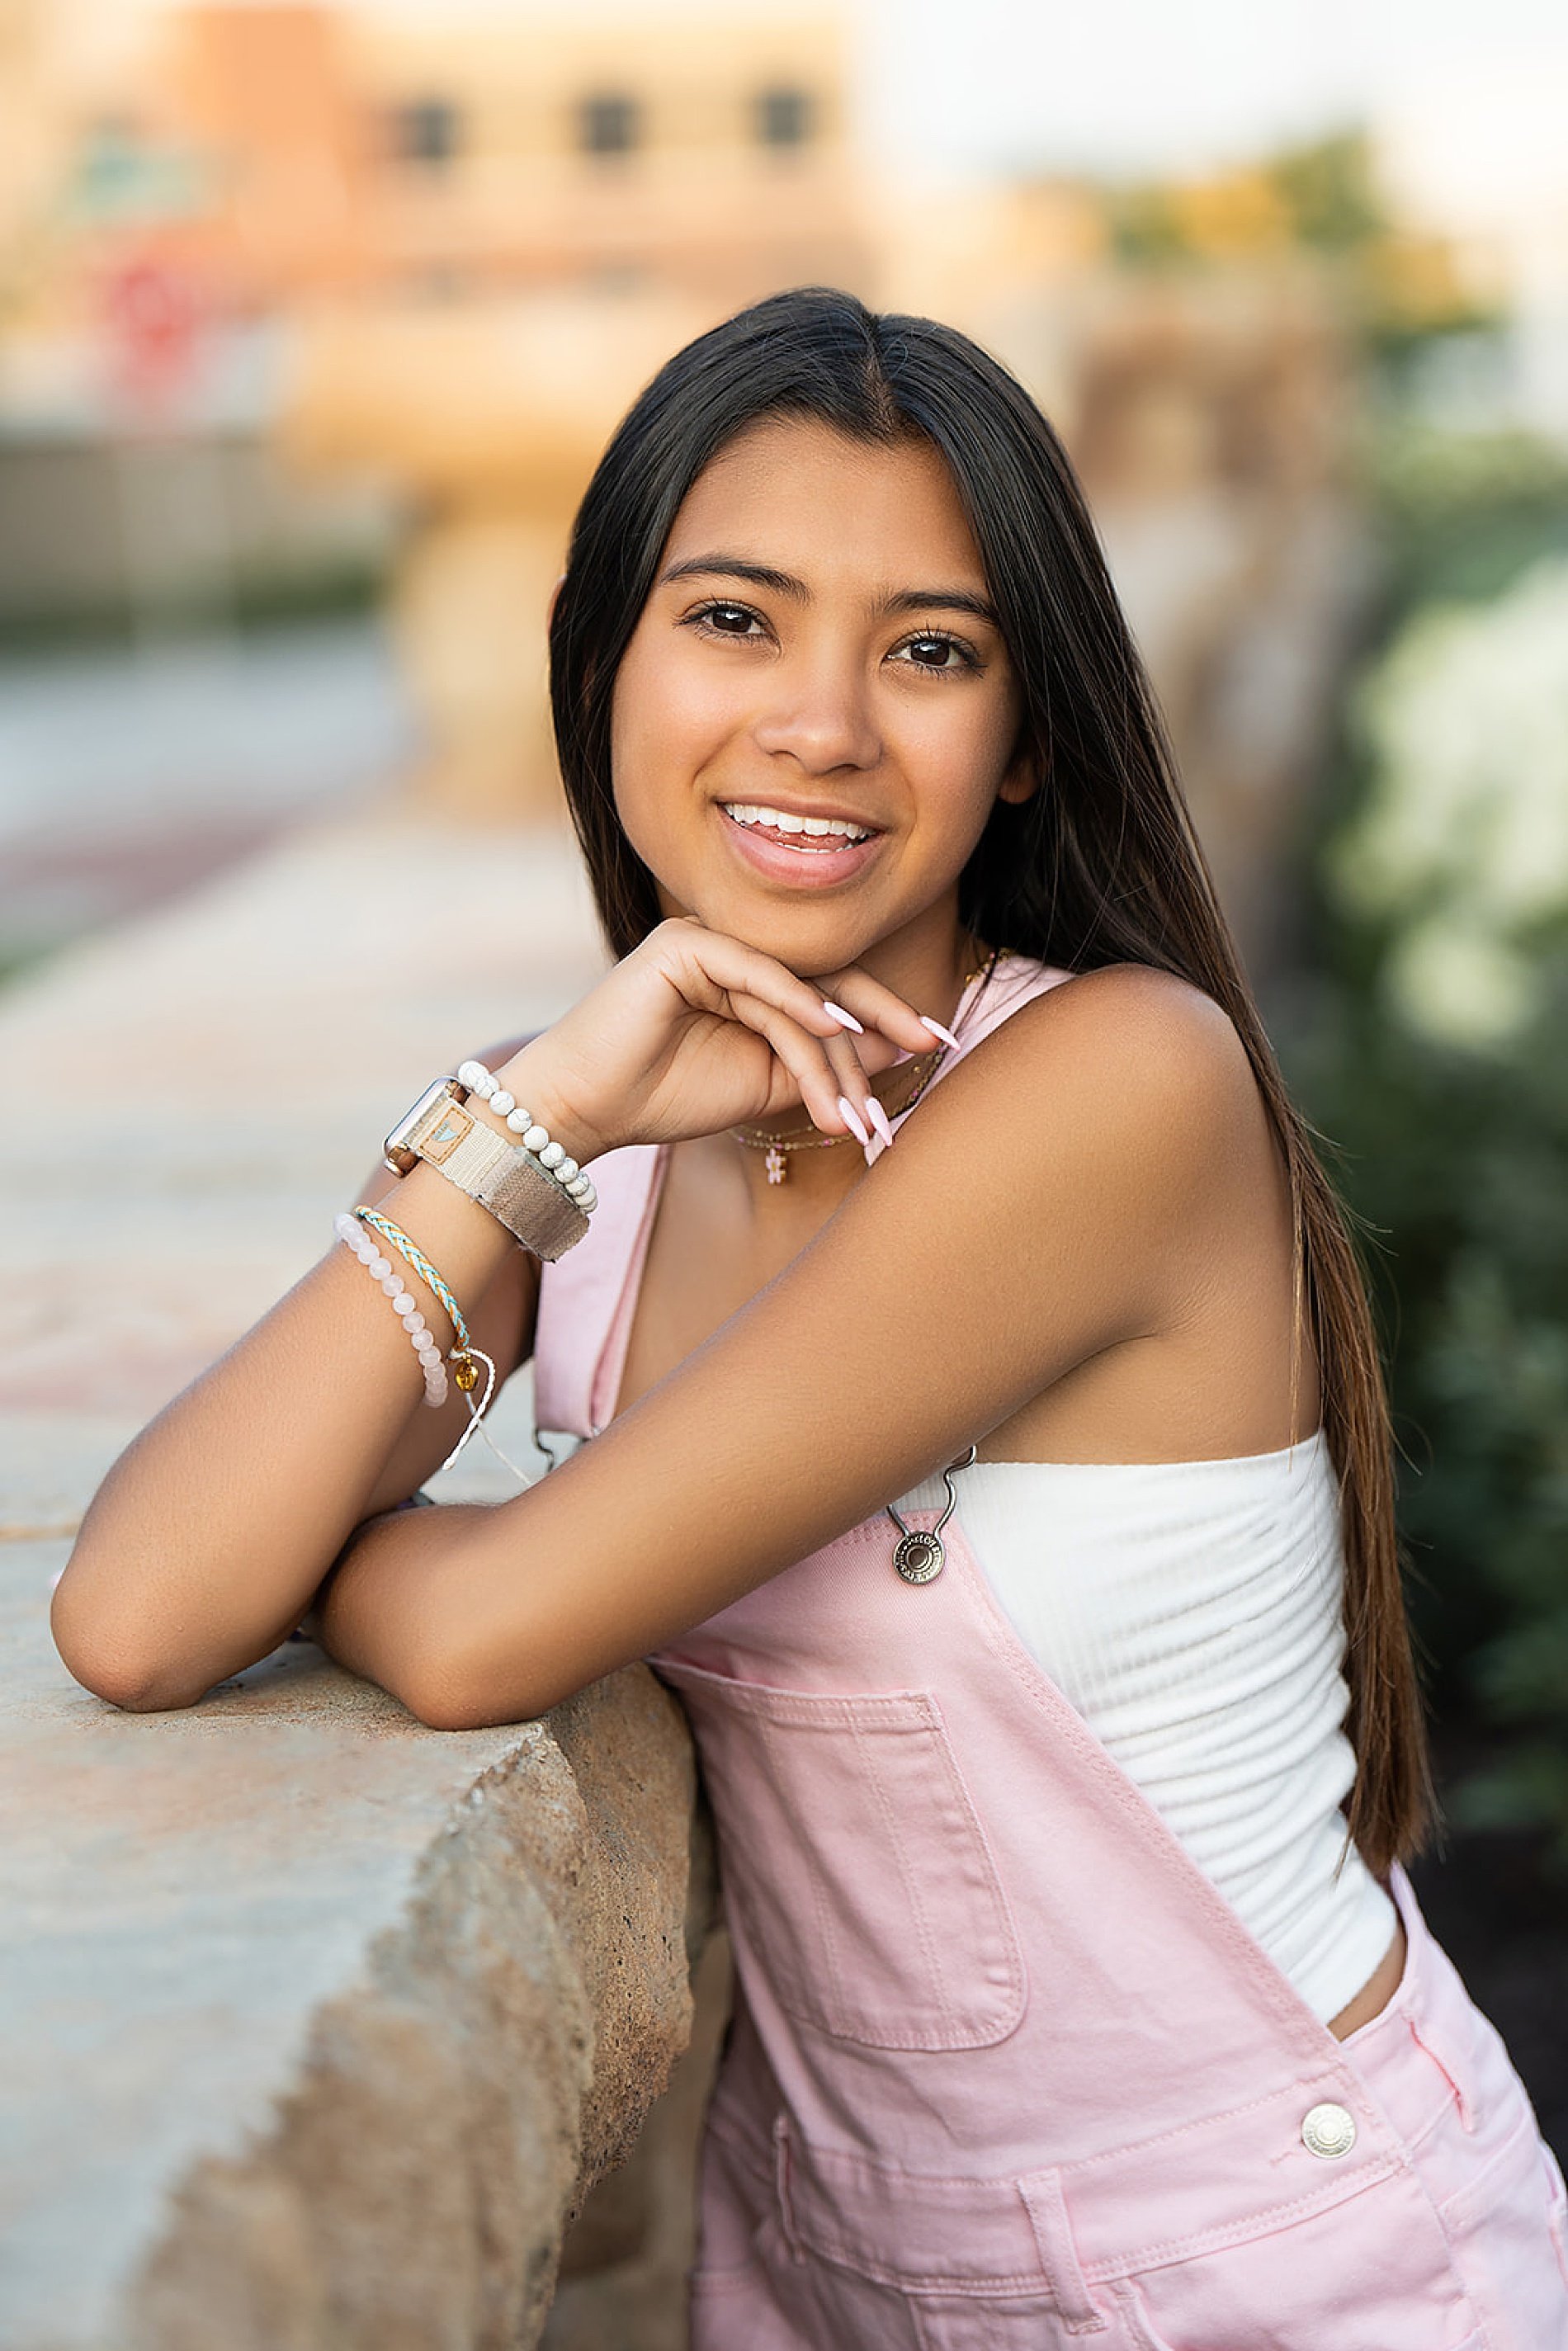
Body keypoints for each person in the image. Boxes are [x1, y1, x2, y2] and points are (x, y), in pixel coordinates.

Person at [52, 288, 1567, 2349]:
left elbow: (490, 1634)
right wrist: (554, 1103)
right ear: (605, 660)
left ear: (1028, 737)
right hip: (829, 2276)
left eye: (929, 652)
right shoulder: (573, 1134)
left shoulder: (1118, 1087)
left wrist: (385, 1556)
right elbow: (139, 1618)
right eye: (735, 620)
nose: (821, 725)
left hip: (1283, 2268)